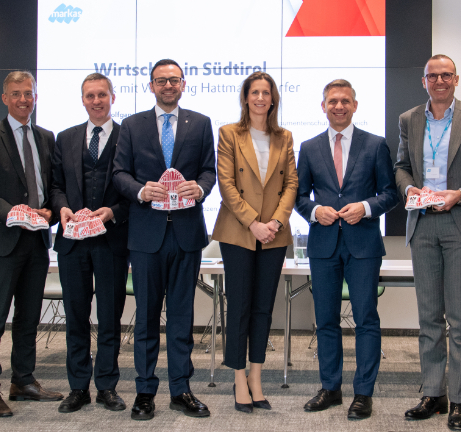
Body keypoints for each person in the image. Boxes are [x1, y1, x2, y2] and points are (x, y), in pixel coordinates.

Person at [395, 54, 461, 430]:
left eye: (446, 75)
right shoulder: (409, 119)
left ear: (456, 79)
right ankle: (433, 394)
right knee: (428, 318)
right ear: (423, 81)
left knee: (459, 319)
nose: (439, 81)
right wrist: (409, 188)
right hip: (422, 223)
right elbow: (401, 166)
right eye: (433, 76)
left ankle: (459, 400)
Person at [113, 58, 216, 420]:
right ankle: (144, 391)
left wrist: (200, 189)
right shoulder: (131, 125)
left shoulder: (200, 123)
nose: (168, 85)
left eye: (174, 80)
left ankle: (180, 389)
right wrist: (141, 191)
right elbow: (119, 173)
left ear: (183, 84)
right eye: (161, 80)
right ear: (151, 85)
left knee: (181, 317)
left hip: (186, 233)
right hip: (146, 235)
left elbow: (209, 170)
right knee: (146, 318)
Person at [295, 79, 398, 421]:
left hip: (363, 244)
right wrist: (314, 211)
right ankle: (331, 388)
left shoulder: (376, 144)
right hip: (323, 244)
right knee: (325, 320)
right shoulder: (309, 147)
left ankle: (363, 393)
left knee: (366, 319)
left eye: (345, 101)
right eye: (332, 101)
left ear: (355, 105)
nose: (338, 106)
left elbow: (390, 193)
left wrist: (366, 208)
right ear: (323, 106)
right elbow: (298, 196)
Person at [0, 71, 63, 417]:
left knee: (28, 317)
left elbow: (50, 186)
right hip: (3, 242)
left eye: (29, 93)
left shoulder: (46, 137)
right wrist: (11, 212)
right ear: (5, 98)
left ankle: (23, 380)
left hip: (36, 241)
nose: (24, 99)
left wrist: (52, 211)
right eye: (17, 93)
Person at [211, 72, 298, 413]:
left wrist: (275, 222)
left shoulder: (284, 137)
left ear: (273, 99)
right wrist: (253, 223)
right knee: (240, 306)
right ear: (246, 97)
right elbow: (226, 184)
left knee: (263, 307)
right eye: (255, 92)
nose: (261, 97)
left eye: (266, 92)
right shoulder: (229, 133)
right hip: (238, 231)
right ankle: (238, 379)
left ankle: (257, 377)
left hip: (273, 234)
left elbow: (291, 183)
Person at [50, 73, 129, 413]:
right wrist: (61, 207)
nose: (96, 101)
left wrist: (113, 212)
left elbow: (137, 190)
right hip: (73, 243)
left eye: (102, 95)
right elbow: (55, 186)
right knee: (76, 318)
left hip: (111, 242)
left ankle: (107, 386)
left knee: (110, 318)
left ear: (113, 97)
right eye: (90, 96)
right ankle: (78, 387)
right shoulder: (65, 138)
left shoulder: (129, 136)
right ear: (82, 100)